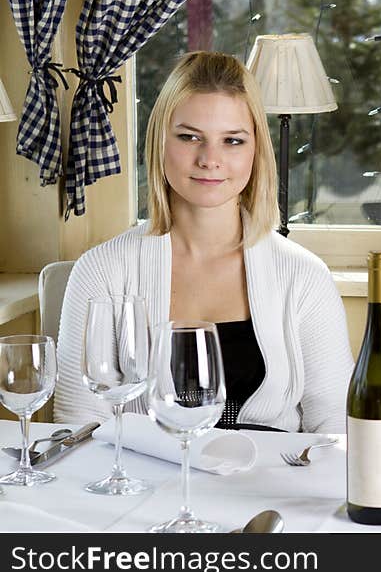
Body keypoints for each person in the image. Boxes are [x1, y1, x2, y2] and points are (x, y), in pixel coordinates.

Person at [55, 52, 353, 433]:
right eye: (189, 136)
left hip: (270, 486)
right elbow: (79, 421)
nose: (210, 159)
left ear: (256, 151)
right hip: (147, 487)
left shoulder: (304, 275)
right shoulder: (101, 269)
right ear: (159, 141)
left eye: (232, 140)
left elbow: (334, 422)